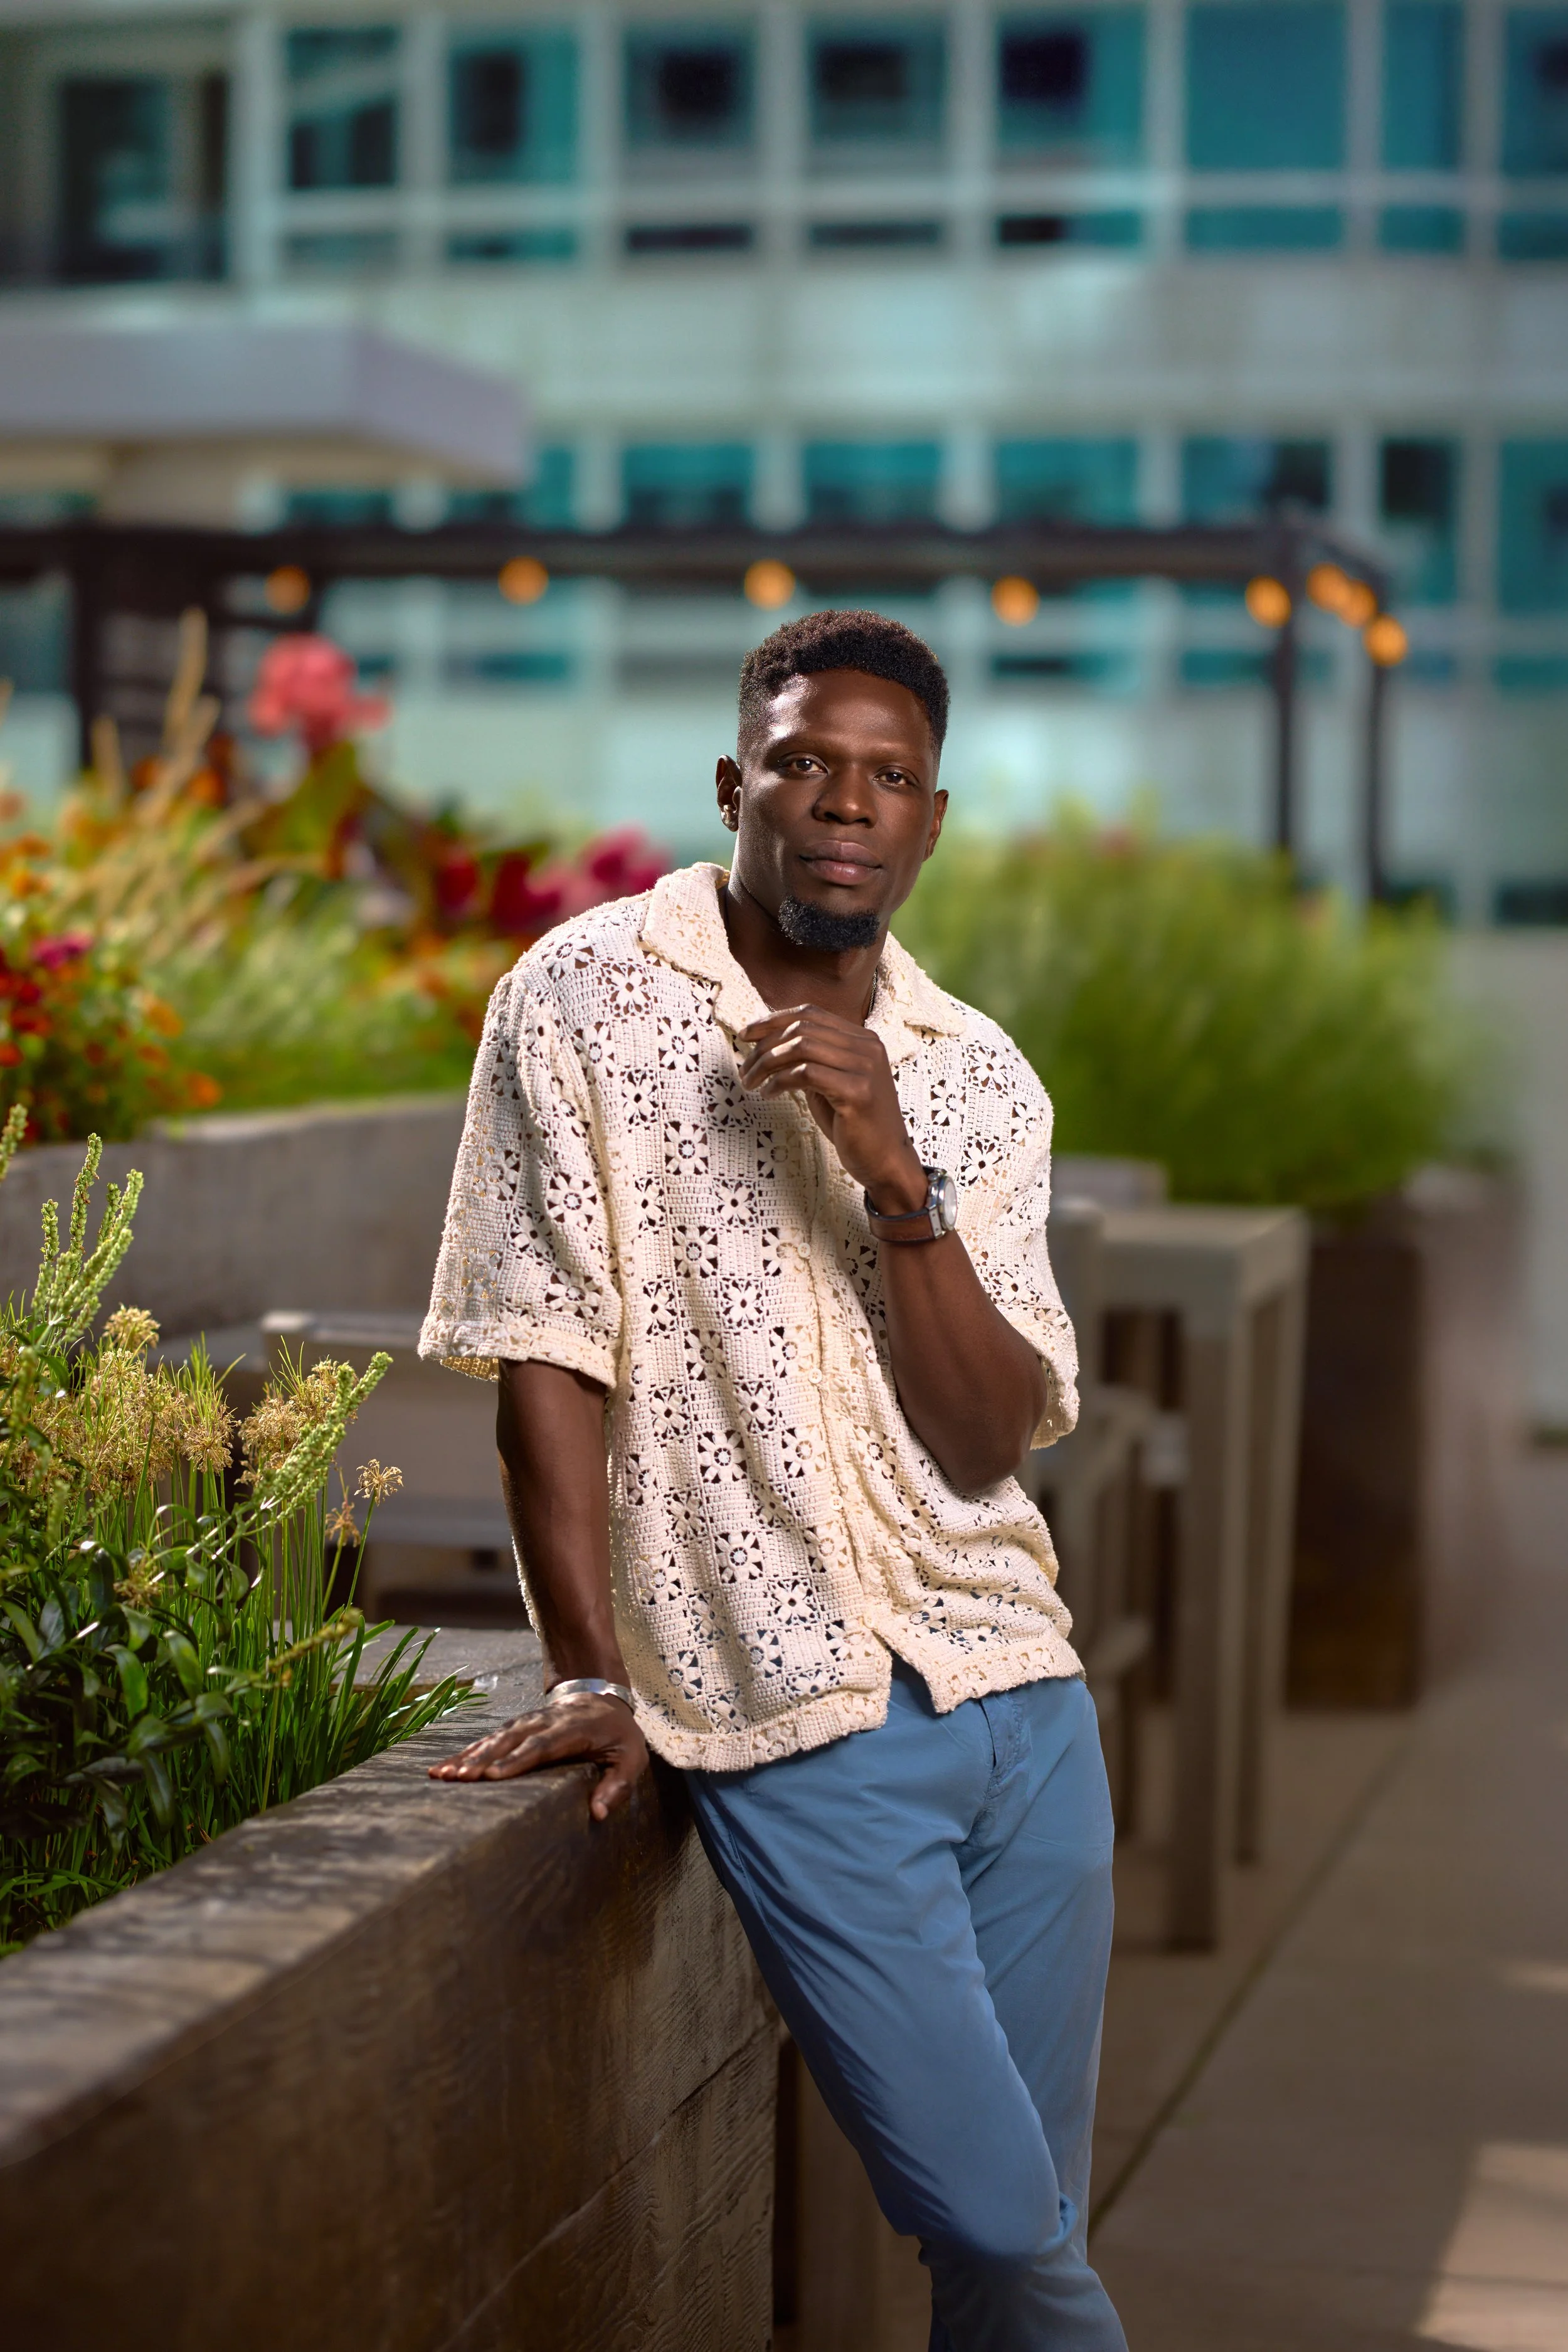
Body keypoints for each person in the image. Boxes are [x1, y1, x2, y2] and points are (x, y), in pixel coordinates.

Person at [420, 609, 1127, 2352]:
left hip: (1022, 1702)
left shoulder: (976, 1075)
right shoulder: (579, 998)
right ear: (737, 781)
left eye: (887, 776)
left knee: (1015, 2239)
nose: (842, 803)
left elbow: (985, 1435)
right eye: (806, 761)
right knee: (999, 2220)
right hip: (791, 1718)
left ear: (931, 820)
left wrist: (894, 1170)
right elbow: (546, 1357)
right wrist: (591, 1666)